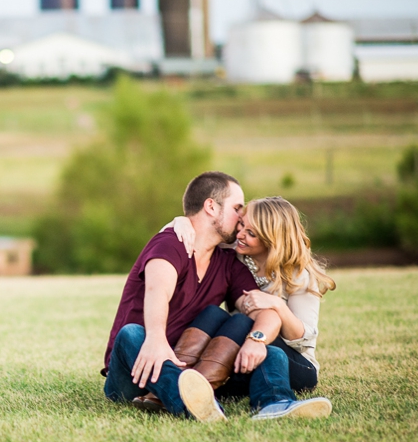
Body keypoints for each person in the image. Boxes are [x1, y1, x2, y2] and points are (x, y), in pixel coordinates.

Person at [102, 172, 332, 422]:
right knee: (131, 334)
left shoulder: (229, 262)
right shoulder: (170, 244)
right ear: (211, 207)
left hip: (191, 363)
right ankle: (187, 402)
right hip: (141, 366)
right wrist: (156, 340)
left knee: (268, 350)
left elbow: (263, 312)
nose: (241, 219)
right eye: (237, 209)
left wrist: (257, 340)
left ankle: (274, 404)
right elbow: (159, 290)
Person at [165, 196, 336, 396]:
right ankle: (174, 378)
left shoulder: (298, 275)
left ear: (272, 240)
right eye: (241, 225)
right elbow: (205, 235)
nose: (240, 235)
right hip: (244, 357)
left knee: (242, 323)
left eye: (251, 233)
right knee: (212, 313)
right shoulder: (238, 259)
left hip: (294, 365)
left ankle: (192, 390)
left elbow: (303, 338)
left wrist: (276, 306)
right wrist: (182, 221)